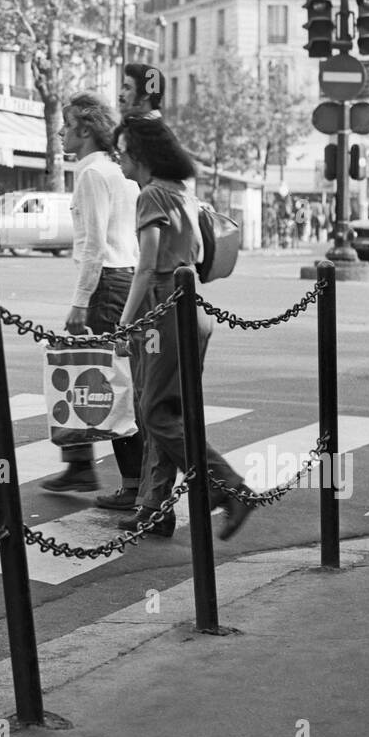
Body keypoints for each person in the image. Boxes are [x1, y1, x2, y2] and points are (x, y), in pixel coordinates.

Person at [111, 114, 252, 539]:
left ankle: (230, 487)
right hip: (191, 308)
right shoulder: (180, 192)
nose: (118, 161)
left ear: (140, 156)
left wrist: (124, 322)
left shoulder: (151, 195)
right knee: (165, 411)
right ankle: (156, 507)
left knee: (155, 413)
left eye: (122, 153)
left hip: (163, 306)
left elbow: (148, 264)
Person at [40, 94, 144, 504]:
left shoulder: (92, 175)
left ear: (85, 130)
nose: (61, 132)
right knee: (98, 373)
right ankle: (81, 464)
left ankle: (129, 484)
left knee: (111, 381)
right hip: (123, 278)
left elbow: (93, 246)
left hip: (107, 283)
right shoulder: (116, 172)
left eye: (67, 125)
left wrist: (80, 300)